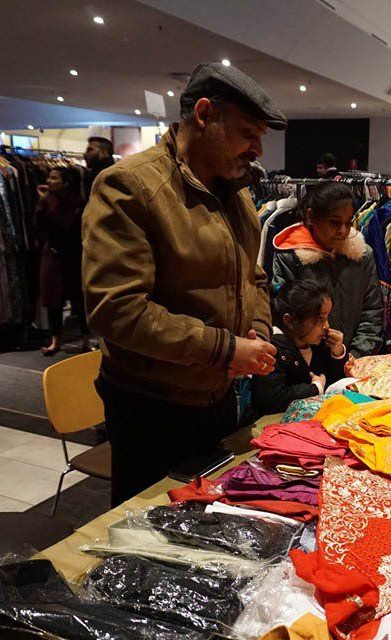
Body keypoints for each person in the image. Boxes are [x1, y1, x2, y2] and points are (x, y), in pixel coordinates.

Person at [82, 62, 286, 505]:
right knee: (145, 538)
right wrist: (228, 349)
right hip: (150, 407)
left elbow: (254, 276)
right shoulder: (129, 186)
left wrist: (259, 337)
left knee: (207, 528)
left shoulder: (237, 194)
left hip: (217, 396)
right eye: (249, 134)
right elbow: (117, 310)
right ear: (205, 114)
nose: (257, 150)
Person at [272, 181, 384, 361]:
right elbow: (285, 317)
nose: (343, 231)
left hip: (352, 360)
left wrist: (355, 355)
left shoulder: (362, 255)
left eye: (348, 223)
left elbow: (372, 311)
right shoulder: (291, 256)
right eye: (334, 222)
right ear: (310, 217)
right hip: (305, 366)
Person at [252, 280, 348, 415]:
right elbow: (272, 400)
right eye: (320, 319)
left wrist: (337, 353)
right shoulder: (271, 349)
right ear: (290, 321)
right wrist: (315, 389)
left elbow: (334, 381)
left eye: (327, 317)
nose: (327, 326)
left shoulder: (318, 344)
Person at [34, 167, 86, 356]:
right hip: (52, 254)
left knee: (79, 299)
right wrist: (42, 203)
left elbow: (65, 226)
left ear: (65, 182)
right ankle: (55, 340)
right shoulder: (46, 201)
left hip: (73, 255)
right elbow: (38, 226)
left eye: (54, 178)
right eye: (49, 177)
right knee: (52, 299)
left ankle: (86, 339)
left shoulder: (77, 202)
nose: (49, 181)